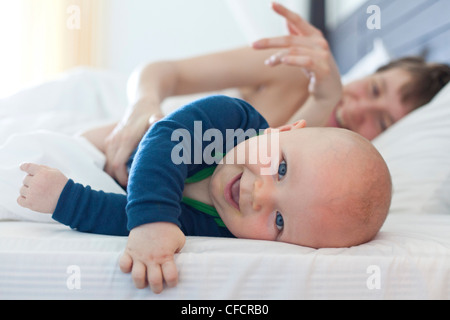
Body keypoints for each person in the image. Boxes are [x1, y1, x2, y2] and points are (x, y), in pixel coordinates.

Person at [17, 95, 393, 294]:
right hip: (112, 142)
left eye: (279, 221)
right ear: (283, 131)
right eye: (281, 168)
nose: (259, 194)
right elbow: (164, 139)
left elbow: (128, 223)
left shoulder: (222, 228)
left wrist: (66, 199)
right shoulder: (231, 120)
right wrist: (154, 220)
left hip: (110, 179)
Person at [104, 2, 450, 187]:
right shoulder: (289, 70)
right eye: (374, 89)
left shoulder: (327, 184)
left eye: (382, 121)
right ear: (368, 75)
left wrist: (325, 101)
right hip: (114, 144)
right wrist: (144, 101)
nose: (361, 109)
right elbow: (164, 72)